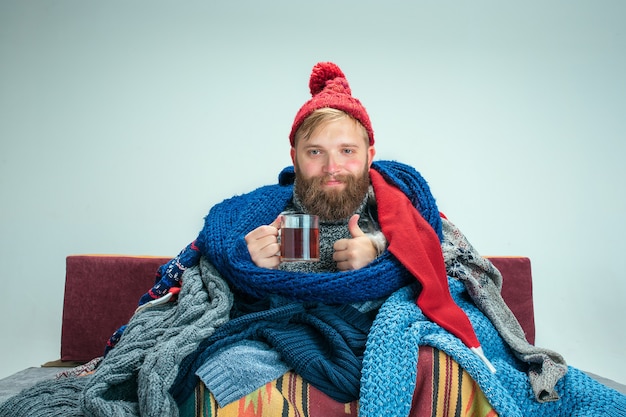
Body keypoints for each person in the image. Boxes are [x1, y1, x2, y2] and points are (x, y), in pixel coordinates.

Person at [2, 62, 625, 417]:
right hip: (296, 327)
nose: (333, 167)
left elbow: (456, 271)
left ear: (369, 154)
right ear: (295, 158)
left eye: (347, 152)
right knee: (226, 365)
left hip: (387, 325)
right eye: (317, 152)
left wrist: (384, 254)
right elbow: (243, 283)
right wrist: (252, 261)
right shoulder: (274, 217)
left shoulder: (401, 212)